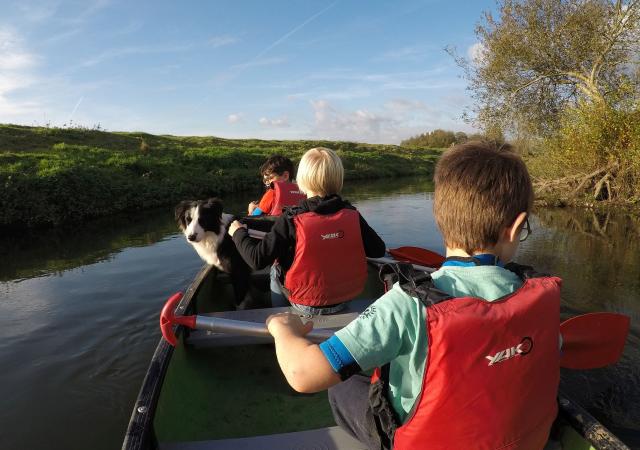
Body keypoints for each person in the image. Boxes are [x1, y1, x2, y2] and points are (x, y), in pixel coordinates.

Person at [264, 141, 561, 450]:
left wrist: (282, 329)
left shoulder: (408, 304)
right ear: (515, 229)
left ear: (439, 217)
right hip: (518, 440)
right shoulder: (540, 295)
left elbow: (303, 374)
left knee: (343, 387)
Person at [229, 147, 386, 313]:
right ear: (339, 178)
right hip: (345, 297)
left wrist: (238, 233)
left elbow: (257, 260)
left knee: (276, 268)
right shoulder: (352, 214)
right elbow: (378, 250)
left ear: (301, 180)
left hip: (304, 303)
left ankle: (281, 315)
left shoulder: (291, 219)